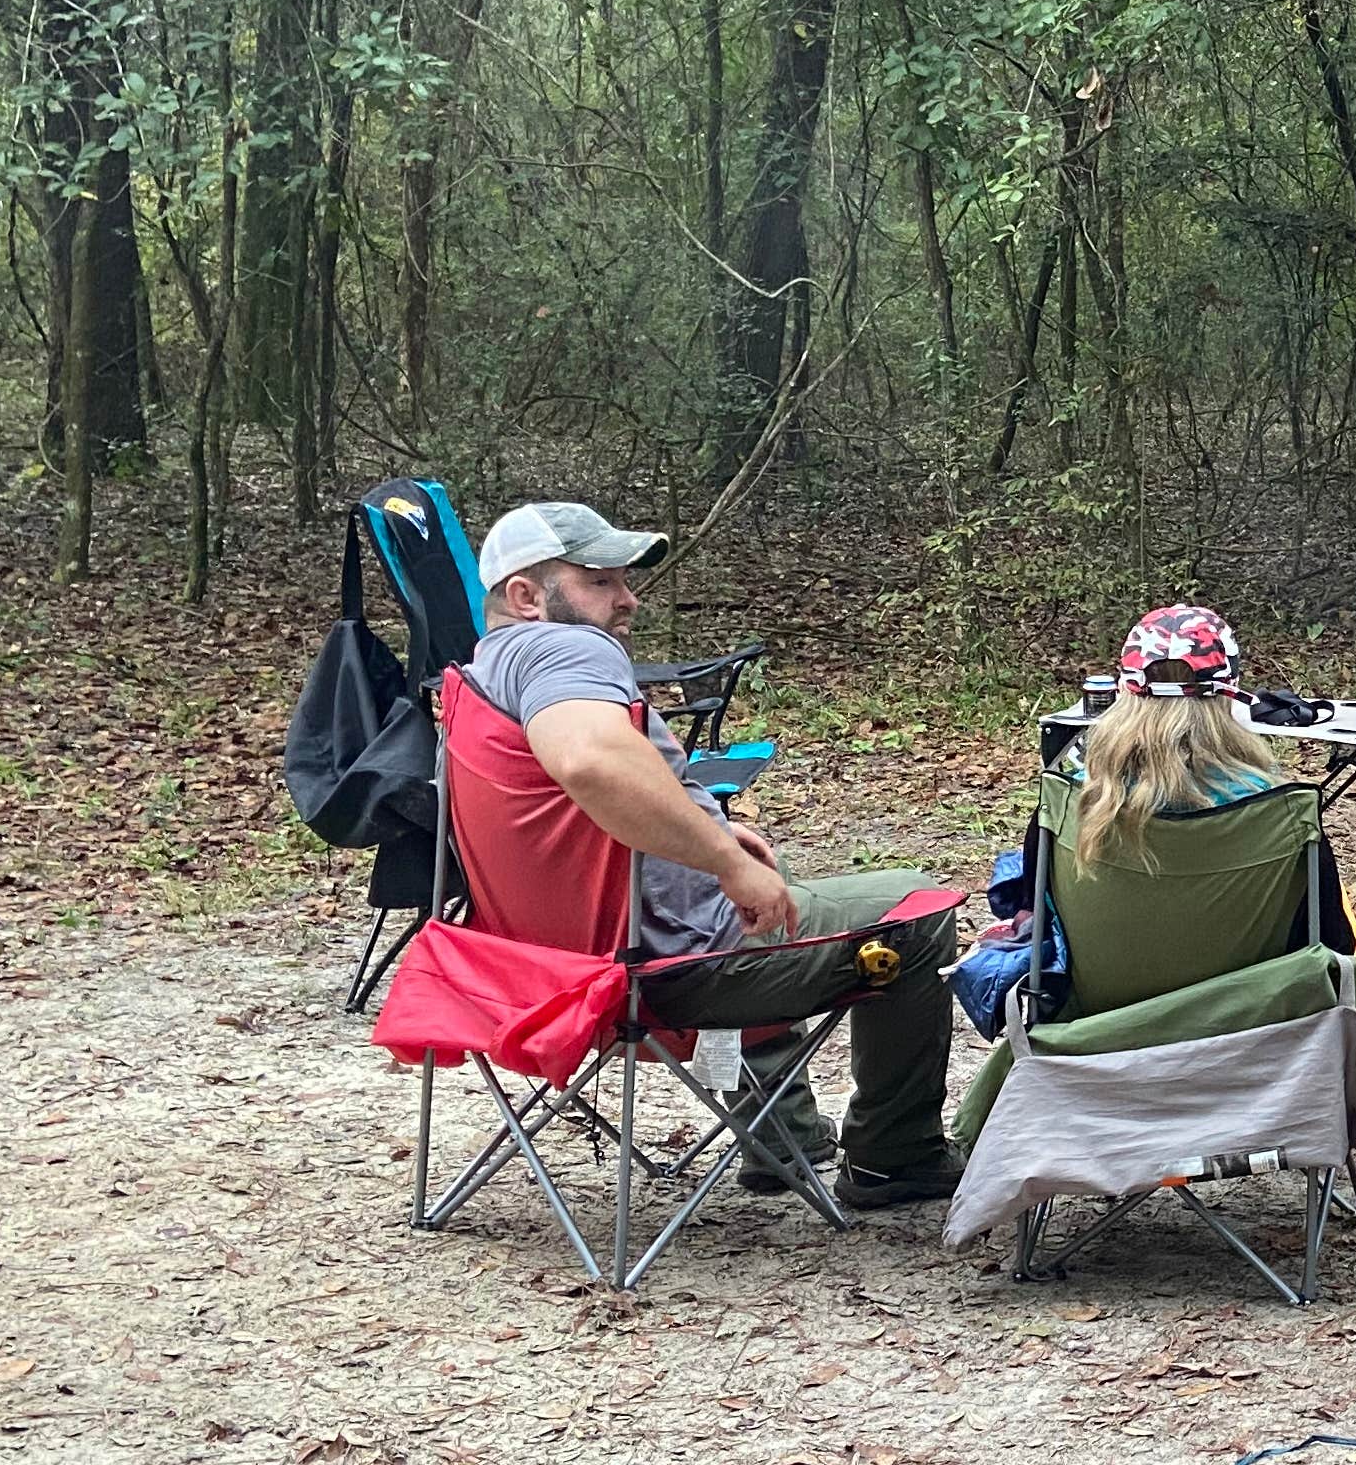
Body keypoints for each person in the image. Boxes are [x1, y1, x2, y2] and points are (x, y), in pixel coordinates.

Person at [464, 502, 959, 1208]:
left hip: (547, 963)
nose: (628, 598)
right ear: (525, 597)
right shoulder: (563, 649)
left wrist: (717, 838)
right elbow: (590, 760)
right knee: (917, 908)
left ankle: (780, 1137)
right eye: (600, 580)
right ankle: (896, 1159)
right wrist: (724, 865)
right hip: (660, 968)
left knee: (772, 881)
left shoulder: (484, 670)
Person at [1074, 603, 1277, 871]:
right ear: (1232, 690)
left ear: (1124, 690)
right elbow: (1316, 907)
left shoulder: (1076, 795)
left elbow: (1038, 897)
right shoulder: (1270, 804)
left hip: (1098, 915)